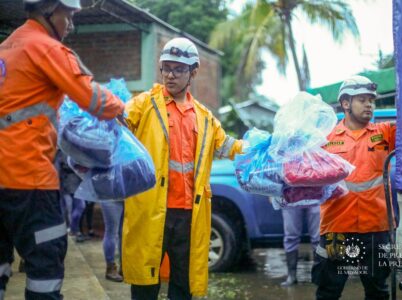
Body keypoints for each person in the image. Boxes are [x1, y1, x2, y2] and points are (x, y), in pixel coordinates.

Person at [0, 0, 125, 298]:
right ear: (49, 11)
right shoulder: (47, 48)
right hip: (28, 178)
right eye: (68, 16)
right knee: (46, 261)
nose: (70, 24)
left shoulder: (6, 47)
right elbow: (92, 98)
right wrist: (122, 106)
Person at [122, 37, 243, 300]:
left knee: (183, 286)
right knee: (144, 286)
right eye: (166, 68)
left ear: (193, 72)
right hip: (152, 210)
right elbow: (118, 123)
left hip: (189, 214)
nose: (170, 75)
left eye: (178, 69)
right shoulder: (144, 104)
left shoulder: (204, 117)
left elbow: (229, 147)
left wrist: (264, 150)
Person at [311, 75, 396, 300]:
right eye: (362, 99)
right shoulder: (325, 139)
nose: (369, 104)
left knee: (378, 291)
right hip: (337, 229)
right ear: (346, 103)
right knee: (328, 292)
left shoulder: (385, 133)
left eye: (372, 100)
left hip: (376, 229)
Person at [280, 206, 320, 286]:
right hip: (290, 197)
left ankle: (320, 275)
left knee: (318, 238)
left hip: (315, 196)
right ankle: (291, 276)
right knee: (290, 236)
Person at [100, 201, 124, 282]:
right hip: (110, 196)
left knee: (124, 232)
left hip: (128, 196)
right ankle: (110, 268)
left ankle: (124, 266)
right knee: (112, 231)